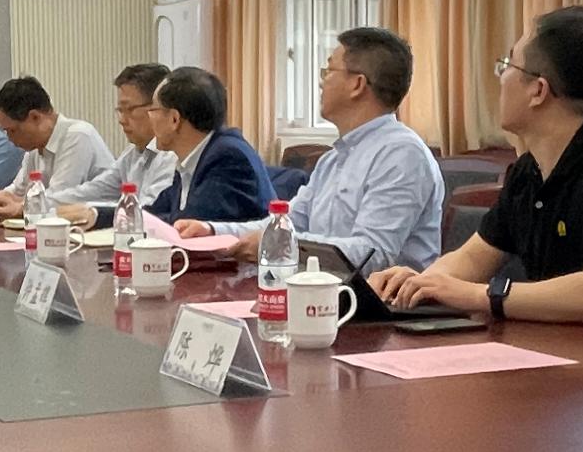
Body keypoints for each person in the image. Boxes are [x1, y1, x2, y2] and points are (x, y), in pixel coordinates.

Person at [368, 7, 583, 336]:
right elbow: (474, 257)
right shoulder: (529, 170)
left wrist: (478, 296)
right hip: (573, 353)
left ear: (538, 90)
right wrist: (420, 284)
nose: (501, 77)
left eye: (507, 65)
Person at [175, 28, 442, 275]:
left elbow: (371, 255)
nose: (321, 82)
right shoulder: (333, 159)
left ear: (357, 84)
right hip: (319, 293)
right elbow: (288, 223)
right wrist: (212, 231)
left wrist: (280, 244)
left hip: (379, 304)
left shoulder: (401, 155)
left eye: (328, 71)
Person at [89, 66, 272, 228]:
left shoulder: (227, 157)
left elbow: (187, 223)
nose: (150, 119)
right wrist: (96, 216)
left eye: (153, 110)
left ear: (174, 119)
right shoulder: (190, 159)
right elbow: (154, 212)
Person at [50, 63, 177, 223]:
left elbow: (149, 212)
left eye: (129, 109)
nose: (121, 120)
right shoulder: (132, 154)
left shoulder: (171, 155)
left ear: (156, 107)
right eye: (120, 110)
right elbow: (94, 190)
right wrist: (38, 203)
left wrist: (94, 213)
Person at [0, 77, 116, 218]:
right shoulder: (34, 148)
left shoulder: (78, 136)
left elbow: (59, 197)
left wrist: (21, 205)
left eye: (12, 130)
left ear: (35, 117)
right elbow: (19, 190)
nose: (9, 138)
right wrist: (3, 196)